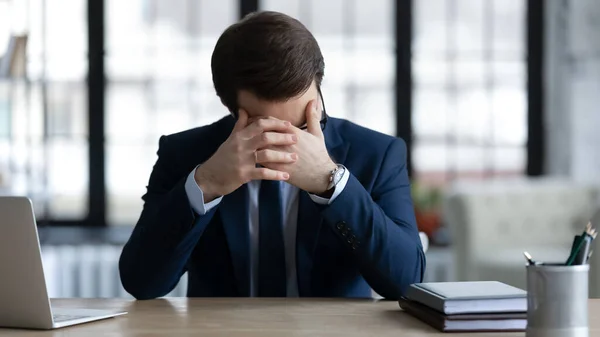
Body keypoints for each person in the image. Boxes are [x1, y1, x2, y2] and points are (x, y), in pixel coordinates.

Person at [119, 11, 425, 300]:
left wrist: (331, 184)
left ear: (319, 84)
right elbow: (142, 283)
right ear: (230, 108)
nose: (292, 142)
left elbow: (405, 283)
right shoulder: (185, 154)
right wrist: (207, 183)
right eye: (268, 130)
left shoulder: (376, 154)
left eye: (304, 123)